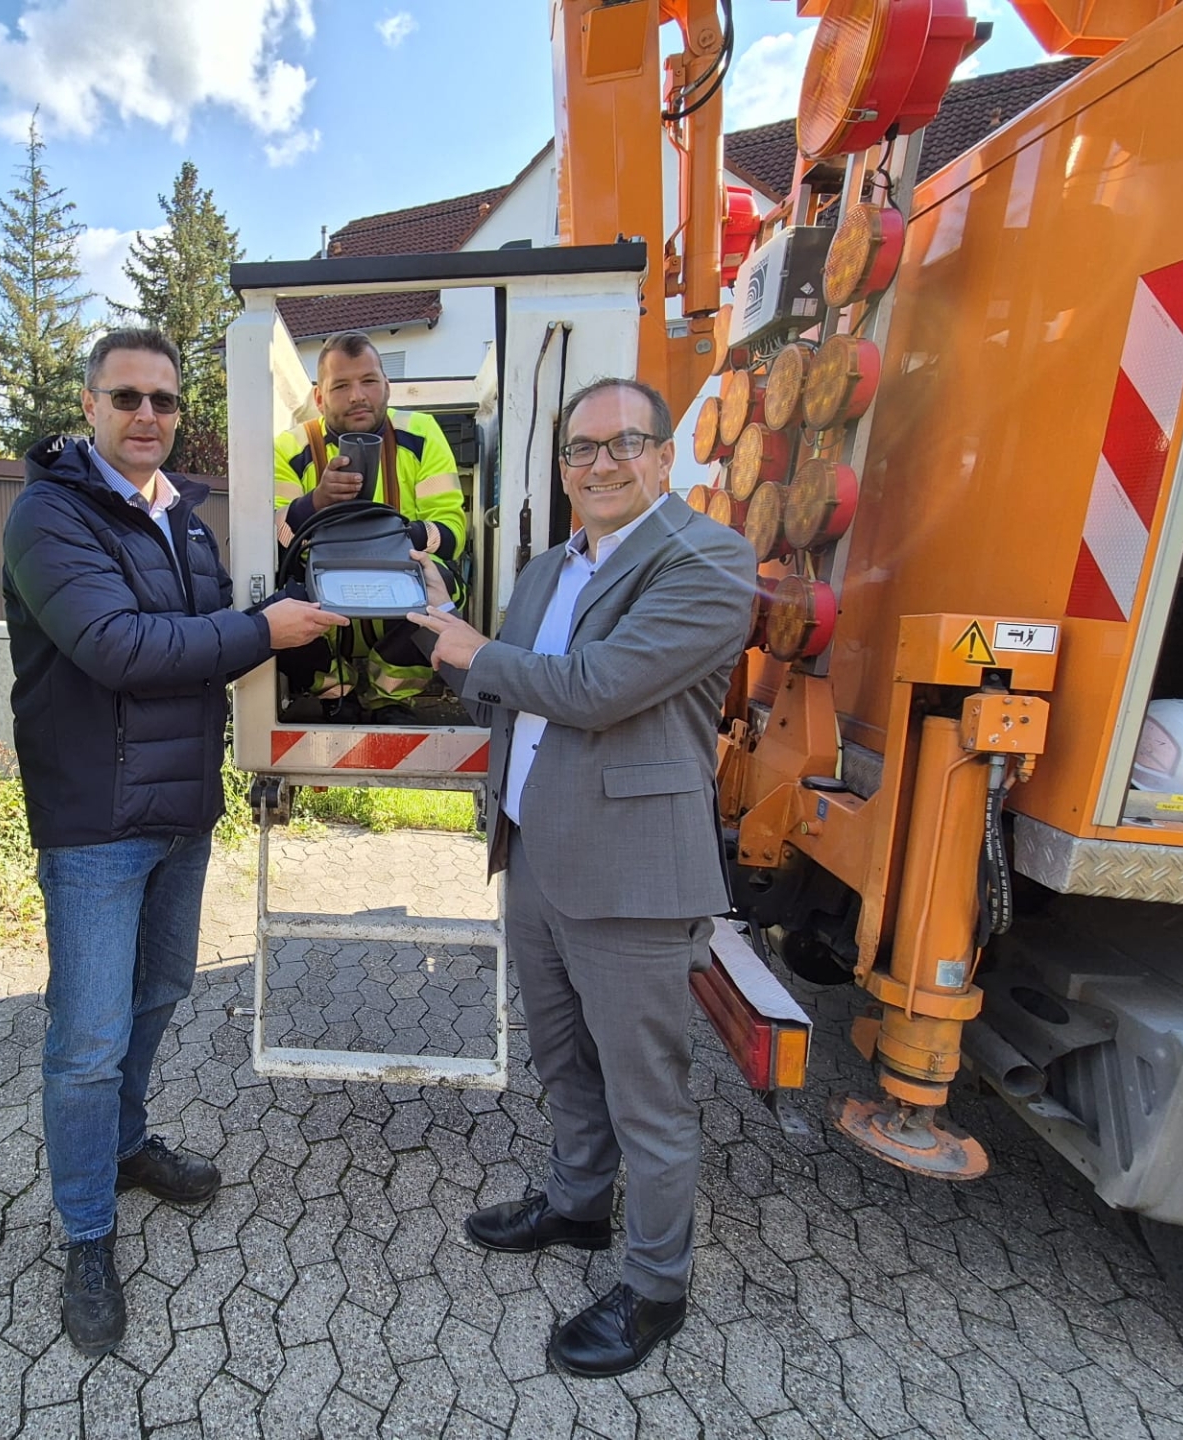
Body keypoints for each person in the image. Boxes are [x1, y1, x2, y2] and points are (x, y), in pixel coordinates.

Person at [3, 328, 348, 1357]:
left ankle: (124, 1148)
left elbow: (210, 640)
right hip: (96, 825)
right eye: (127, 397)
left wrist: (302, 589)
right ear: (89, 405)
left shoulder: (181, 520)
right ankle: (85, 1234)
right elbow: (118, 648)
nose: (147, 415)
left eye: (163, 399)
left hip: (180, 814)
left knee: (158, 995)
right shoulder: (50, 515)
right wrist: (265, 630)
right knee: (87, 1040)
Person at [406, 376, 754, 1378]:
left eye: (623, 443)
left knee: (647, 1094)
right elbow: (500, 685)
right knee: (563, 1059)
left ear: (664, 456)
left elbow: (599, 689)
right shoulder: (550, 568)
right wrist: (438, 625)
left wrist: (480, 650)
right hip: (536, 851)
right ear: (561, 469)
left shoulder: (707, 559)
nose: (601, 464)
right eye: (581, 450)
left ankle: (656, 1287)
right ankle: (576, 1204)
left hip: (632, 871)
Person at [272, 331, 469, 721]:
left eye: (368, 381)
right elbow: (274, 542)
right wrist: (317, 502)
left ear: (387, 386)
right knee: (274, 597)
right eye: (341, 386)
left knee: (446, 584)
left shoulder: (423, 433)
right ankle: (334, 694)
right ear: (319, 398)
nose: (357, 396)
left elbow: (452, 533)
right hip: (326, 598)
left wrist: (394, 540)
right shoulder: (290, 448)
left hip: (400, 589)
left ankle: (389, 696)